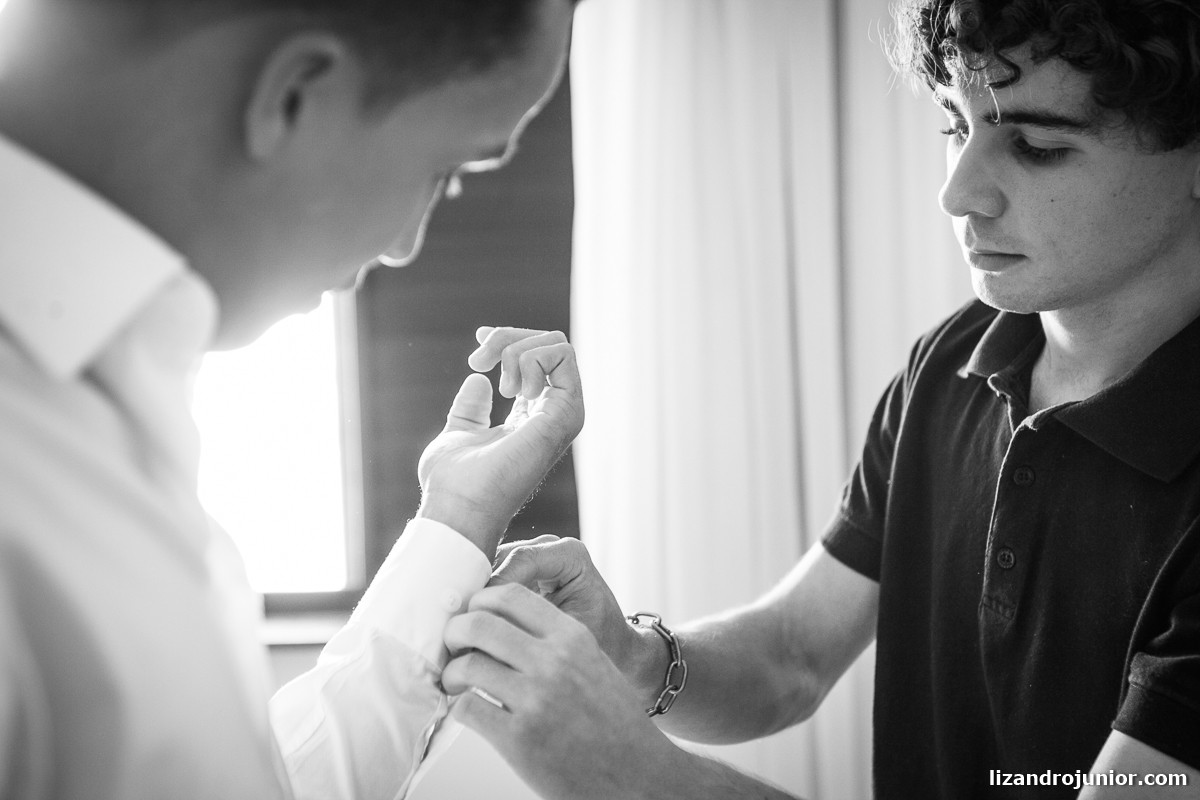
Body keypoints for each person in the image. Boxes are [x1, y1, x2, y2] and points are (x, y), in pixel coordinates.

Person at [438, 1, 1200, 798]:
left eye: (1039, 147)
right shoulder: (949, 365)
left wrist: (633, 775)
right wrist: (631, 659)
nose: (960, 192)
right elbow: (792, 656)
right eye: (954, 126)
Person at [0, 0, 581, 798]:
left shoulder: (101, 392)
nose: (405, 245)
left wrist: (459, 518)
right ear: (296, 95)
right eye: (443, 170)